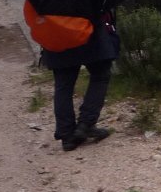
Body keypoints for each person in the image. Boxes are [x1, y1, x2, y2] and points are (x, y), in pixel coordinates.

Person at [42, 10, 119, 151]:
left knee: (63, 85)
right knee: (100, 75)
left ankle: (67, 135)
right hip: (88, 29)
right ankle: (86, 124)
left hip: (56, 31)